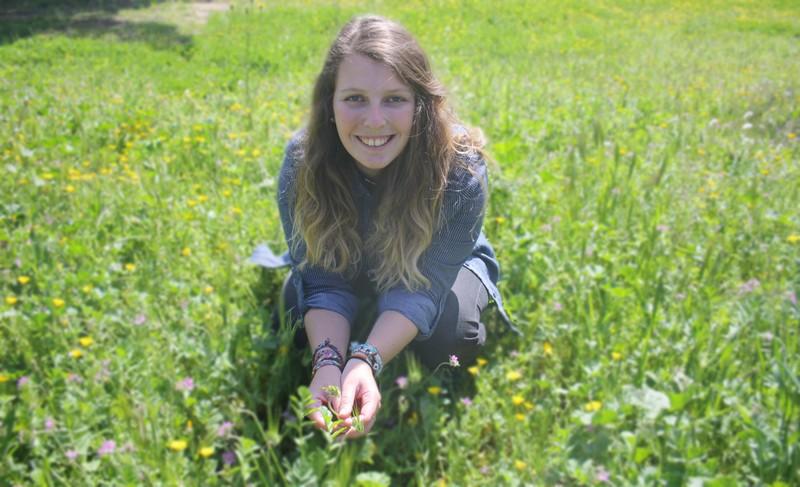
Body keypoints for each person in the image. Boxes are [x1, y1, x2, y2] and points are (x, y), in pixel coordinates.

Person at [263, 14, 518, 439]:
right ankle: (358, 332)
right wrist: (328, 362)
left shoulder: (460, 169)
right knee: (292, 316)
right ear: (329, 103)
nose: (375, 120)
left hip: (428, 270)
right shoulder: (302, 161)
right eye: (355, 98)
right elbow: (321, 276)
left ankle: (379, 337)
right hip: (347, 262)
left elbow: (425, 285)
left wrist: (365, 360)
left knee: (454, 338)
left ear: (421, 103)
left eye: (394, 99)